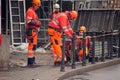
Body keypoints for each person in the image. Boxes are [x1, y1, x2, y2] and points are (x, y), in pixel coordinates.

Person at [26, 0, 41, 66]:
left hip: (34, 31)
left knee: (33, 46)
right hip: (31, 31)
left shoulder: (33, 12)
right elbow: (29, 21)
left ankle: (32, 60)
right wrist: (37, 23)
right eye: (37, 6)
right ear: (34, 5)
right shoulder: (30, 11)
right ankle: (30, 62)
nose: (38, 7)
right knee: (31, 46)